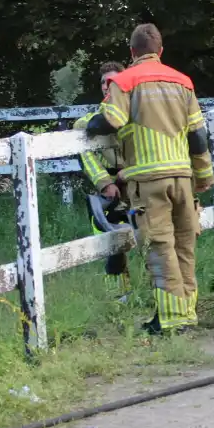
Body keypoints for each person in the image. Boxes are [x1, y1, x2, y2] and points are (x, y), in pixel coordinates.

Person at [83, 24, 214, 335]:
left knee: (160, 246)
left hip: (148, 179)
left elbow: (112, 119)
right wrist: (204, 175)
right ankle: (187, 311)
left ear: (131, 52)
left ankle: (171, 319)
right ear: (161, 50)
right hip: (182, 175)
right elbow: (198, 135)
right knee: (185, 246)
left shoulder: (125, 80)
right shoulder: (183, 81)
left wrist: (89, 126)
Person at [73, 61, 132, 302]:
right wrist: (105, 182)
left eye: (113, 82)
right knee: (110, 243)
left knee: (149, 238)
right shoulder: (92, 119)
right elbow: (84, 150)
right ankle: (117, 299)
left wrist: (128, 174)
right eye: (103, 83)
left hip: (136, 181)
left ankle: (151, 294)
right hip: (109, 189)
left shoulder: (136, 113)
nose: (108, 87)